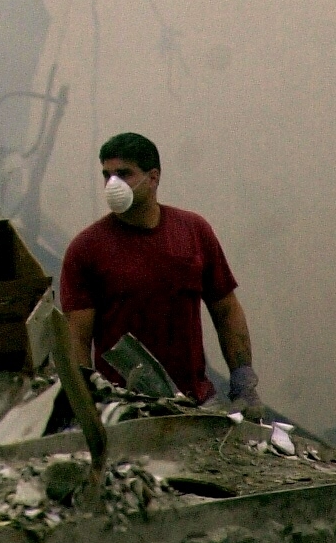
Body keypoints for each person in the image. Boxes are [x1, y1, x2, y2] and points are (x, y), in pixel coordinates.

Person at [59, 132, 259, 409]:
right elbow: (76, 338)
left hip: (197, 401)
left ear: (153, 177)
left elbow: (226, 309)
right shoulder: (86, 249)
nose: (112, 184)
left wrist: (243, 380)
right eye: (107, 175)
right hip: (124, 407)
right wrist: (85, 403)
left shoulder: (193, 232)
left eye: (124, 173)